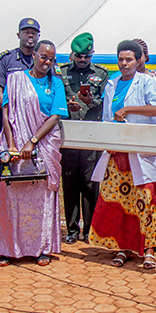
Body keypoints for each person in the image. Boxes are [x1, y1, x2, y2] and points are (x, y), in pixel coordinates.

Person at [89, 40, 156, 270]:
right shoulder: (111, 84)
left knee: (147, 201)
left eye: (129, 59)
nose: (124, 63)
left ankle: (149, 250)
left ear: (138, 60)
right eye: (121, 59)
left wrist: (129, 109)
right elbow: (107, 118)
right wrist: (108, 142)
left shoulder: (147, 82)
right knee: (123, 203)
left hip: (143, 153)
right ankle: (123, 247)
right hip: (119, 154)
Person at [0, 40, 67, 267]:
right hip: (17, 146)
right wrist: (11, 145)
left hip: (43, 146)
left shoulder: (56, 84)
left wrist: (33, 142)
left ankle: (42, 249)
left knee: (42, 199)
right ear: (34, 55)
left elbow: (55, 116)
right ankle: (9, 250)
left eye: (51, 59)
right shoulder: (15, 79)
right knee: (13, 197)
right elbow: (7, 112)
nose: (47, 62)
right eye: (43, 56)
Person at [59, 33, 109, 244]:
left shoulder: (101, 74)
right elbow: (56, 100)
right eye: (78, 56)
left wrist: (91, 101)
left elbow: (105, 103)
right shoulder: (61, 73)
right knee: (70, 182)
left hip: (90, 135)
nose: (82, 60)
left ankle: (89, 230)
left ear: (92, 55)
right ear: (72, 55)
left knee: (90, 184)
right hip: (69, 135)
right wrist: (66, 107)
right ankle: (72, 230)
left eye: (86, 57)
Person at [0, 18, 41, 109]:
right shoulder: (6, 59)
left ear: (39, 36)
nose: (30, 35)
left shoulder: (45, 61)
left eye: (34, 33)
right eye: (26, 32)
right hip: (11, 117)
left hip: (40, 117)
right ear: (18, 35)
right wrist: (17, 112)